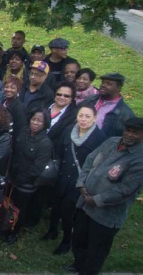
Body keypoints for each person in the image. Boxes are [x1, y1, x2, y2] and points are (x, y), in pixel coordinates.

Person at [68, 117, 143, 275]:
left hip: (106, 214)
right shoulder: (112, 142)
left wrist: (96, 200)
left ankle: (88, 272)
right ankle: (78, 264)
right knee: (79, 238)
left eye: (135, 132)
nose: (130, 135)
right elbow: (90, 160)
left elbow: (125, 190)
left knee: (96, 248)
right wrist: (81, 184)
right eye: (128, 130)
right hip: (85, 203)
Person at [46, 105, 106, 255]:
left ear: (95, 118)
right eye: (81, 115)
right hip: (62, 176)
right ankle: (52, 231)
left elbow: (97, 165)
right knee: (56, 206)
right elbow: (59, 152)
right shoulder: (68, 131)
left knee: (68, 212)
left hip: (78, 181)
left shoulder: (100, 138)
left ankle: (66, 240)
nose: (83, 119)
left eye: (87, 116)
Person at [6, 110, 52, 244]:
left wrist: (20, 179)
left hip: (26, 183)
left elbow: (37, 168)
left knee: (20, 209)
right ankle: (5, 225)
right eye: (33, 119)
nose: (35, 123)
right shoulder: (23, 132)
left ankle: (14, 232)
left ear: (45, 124)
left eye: (39, 121)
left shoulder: (45, 143)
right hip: (13, 177)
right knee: (9, 204)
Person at [79, 72, 135, 137]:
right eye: (103, 82)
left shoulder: (124, 113)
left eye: (108, 84)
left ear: (118, 88)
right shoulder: (91, 99)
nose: (103, 85)